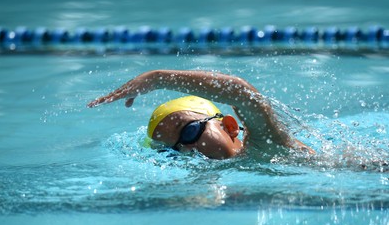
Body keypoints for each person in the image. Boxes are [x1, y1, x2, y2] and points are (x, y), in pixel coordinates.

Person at [87, 70, 314, 159]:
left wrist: (158, 79)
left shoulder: (268, 147)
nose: (185, 149)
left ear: (230, 126)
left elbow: (242, 94)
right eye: (171, 150)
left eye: (189, 132)